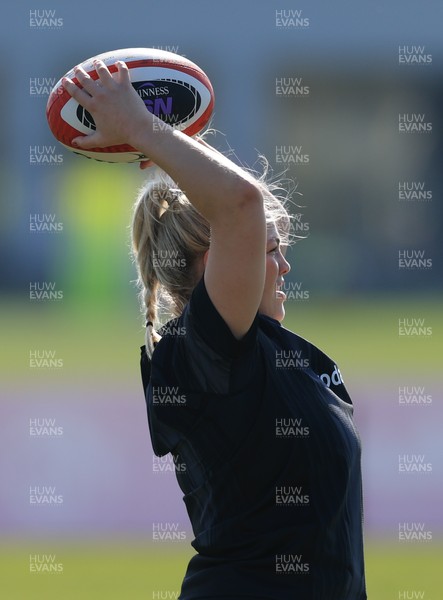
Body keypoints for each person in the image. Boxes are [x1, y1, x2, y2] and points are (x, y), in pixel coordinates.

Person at [63, 59, 367, 599]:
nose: (282, 264)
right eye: (268, 249)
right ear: (210, 262)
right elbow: (240, 205)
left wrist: (161, 136)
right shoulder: (204, 351)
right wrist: (143, 128)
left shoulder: (278, 353)